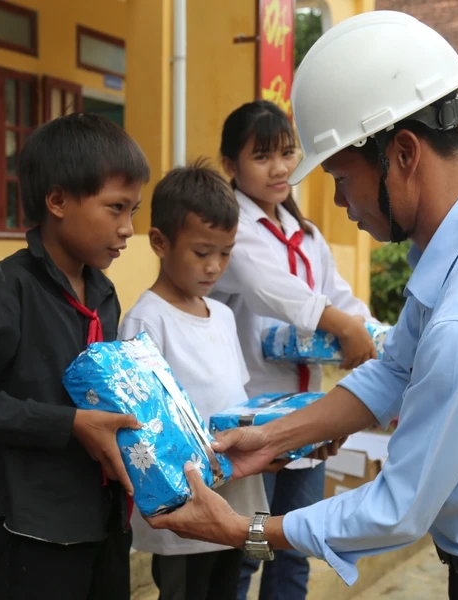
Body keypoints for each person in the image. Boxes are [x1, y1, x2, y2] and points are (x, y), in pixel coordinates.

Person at [148, 11, 458, 600]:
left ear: (402, 153)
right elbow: (397, 366)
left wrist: (241, 530)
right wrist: (275, 437)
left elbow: (397, 508)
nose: (341, 204)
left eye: (343, 181)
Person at [0, 113, 150, 600]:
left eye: (133, 211)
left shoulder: (103, 293)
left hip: (105, 514)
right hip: (35, 525)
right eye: (115, 208)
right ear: (57, 201)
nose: (127, 229)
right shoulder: (2, 292)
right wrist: (68, 424)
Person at [211, 100, 377, 600]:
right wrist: (342, 326)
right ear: (230, 166)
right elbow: (272, 289)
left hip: (310, 415)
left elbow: (340, 295)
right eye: (262, 157)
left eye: (287, 153)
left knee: (297, 548)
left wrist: (370, 332)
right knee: (247, 547)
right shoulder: (229, 228)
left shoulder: (306, 234)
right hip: (253, 418)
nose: (280, 168)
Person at [118, 160, 270, 600]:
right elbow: (140, 423)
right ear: (160, 243)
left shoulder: (222, 315)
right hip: (184, 502)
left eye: (225, 253)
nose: (214, 266)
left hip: (235, 493)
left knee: (228, 587)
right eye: (202, 252)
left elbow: (233, 396)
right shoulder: (147, 320)